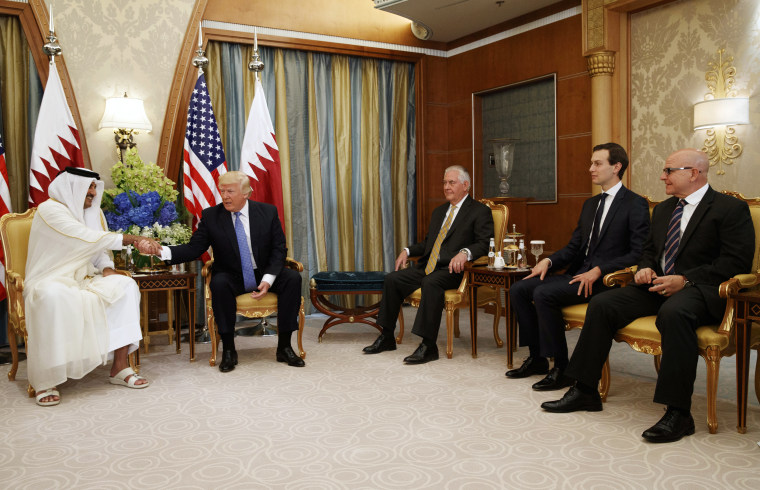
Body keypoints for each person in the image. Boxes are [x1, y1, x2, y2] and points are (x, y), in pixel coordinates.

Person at [541, 148, 755, 443]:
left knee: (674, 312)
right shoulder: (665, 209)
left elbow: (735, 263)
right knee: (602, 304)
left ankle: (678, 413)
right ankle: (585, 390)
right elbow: (649, 252)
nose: (662, 176)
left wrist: (686, 279)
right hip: (656, 286)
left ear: (693, 173)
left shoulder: (729, 209)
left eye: (669, 171)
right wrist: (644, 268)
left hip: (701, 290)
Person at [507, 143, 650, 390]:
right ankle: (538, 358)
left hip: (606, 282)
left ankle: (561, 368)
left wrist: (600, 270)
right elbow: (574, 247)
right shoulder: (590, 205)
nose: (590, 168)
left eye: (597, 163)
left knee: (543, 293)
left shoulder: (634, 204)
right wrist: (548, 261)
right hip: (577, 274)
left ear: (616, 167)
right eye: (591, 163)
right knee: (520, 288)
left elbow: (638, 252)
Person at [24, 167, 159, 406]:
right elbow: (84, 237)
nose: (94, 193)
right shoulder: (50, 210)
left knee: (125, 286)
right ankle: (46, 381)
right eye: (90, 187)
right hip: (51, 279)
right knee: (52, 296)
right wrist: (134, 239)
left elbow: (98, 249)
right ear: (72, 187)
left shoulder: (91, 213)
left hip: (86, 279)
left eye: (95, 187)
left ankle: (119, 367)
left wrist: (107, 269)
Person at [151, 171, 304, 372]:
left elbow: (279, 249)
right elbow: (194, 249)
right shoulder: (211, 216)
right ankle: (229, 350)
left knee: (292, 277)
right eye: (222, 191)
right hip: (232, 275)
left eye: (230, 191)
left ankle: (284, 346)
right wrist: (161, 251)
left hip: (262, 272)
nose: (224, 196)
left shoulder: (267, 212)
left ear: (246, 193)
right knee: (219, 283)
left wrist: (268, 279)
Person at [362, 165, 493, 364]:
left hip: (455, 270)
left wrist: (465, 253)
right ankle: (387, 336)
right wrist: (407, 251)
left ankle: (428, 345)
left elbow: (484, 243)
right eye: (444, 182)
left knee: (431, 282)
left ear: (466, 185)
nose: (446, 187)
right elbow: (428, 244)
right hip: (429, 266)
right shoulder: (439, 212)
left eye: (451, 182)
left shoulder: (479, 211)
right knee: (392, 279)